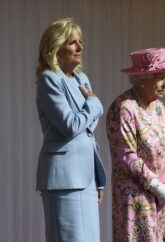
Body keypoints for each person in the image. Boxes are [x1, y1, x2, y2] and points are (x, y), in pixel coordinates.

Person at [35, 18, 106, 242]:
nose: (79, 47)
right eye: (72, 42)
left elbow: (88, 129)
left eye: (80, 42)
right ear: (55, 48)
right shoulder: (48, 79)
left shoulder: (81, 79)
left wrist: (97, 178)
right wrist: (94, 104)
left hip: (87, 178)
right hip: (64, 179)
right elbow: (71, 125)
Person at [106, 47, 165, 242]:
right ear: (141, 79)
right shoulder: (124, 108)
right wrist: (156, 185)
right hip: (137, 200)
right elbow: (126, 155)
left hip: (163, 200)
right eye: (160, 77)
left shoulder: (159, 107)